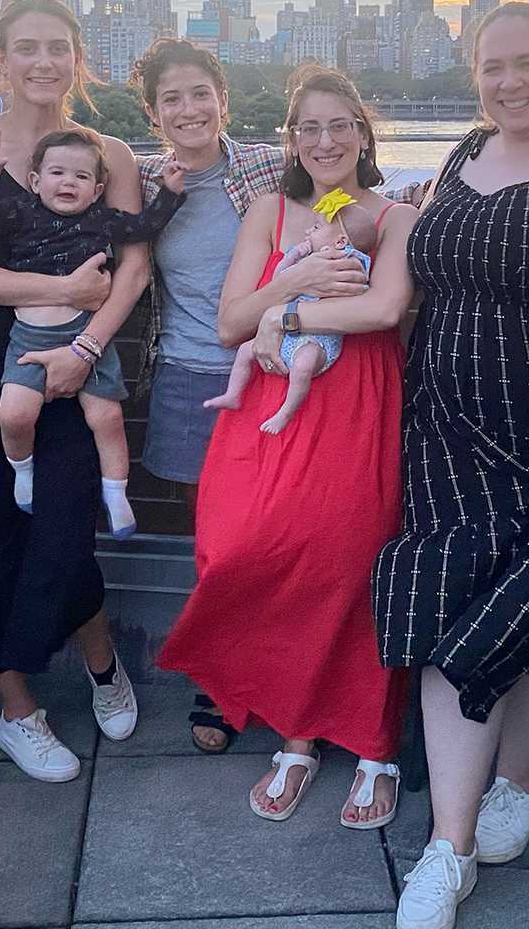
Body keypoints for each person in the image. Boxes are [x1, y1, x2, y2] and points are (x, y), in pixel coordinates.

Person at [279, 3, 529, 929]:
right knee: (444, 609)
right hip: (442, 433)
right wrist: (308, 226)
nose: (508, 83)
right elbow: (386, 237)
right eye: (491, 67)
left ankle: (518, 780)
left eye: (526, 64)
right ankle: (451, 844)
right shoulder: (466, 153)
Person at [157, 66, 411, 830]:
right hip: (266, 408)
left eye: (340, 125)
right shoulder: (269, 210)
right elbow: (230, 321)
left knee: (351, 563)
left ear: (363, 133)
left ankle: (372, 744)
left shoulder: (394, 217)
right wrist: (281, 295)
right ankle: (296, 730)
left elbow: (385, 307)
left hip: (356, 402)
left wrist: (290, 320)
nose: (325, 141)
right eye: (309, 128)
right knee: (240, 551)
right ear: (291, 139)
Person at [127, 40, 370, 754]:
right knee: (220, 548)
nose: (188, 110)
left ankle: (283, 675)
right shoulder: (144, 186)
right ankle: (223, 683)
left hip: (275, 369)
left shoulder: (267, 167)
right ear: (153, 113)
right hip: (189, 373)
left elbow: (347, 200)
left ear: (223, 100)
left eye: (200, 93)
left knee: (279, 540)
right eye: (171, 99)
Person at [0, 0, 142, 783]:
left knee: (66, 524)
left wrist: (86, 345)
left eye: (58, 46)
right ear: (2, 60)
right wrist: (61, 288)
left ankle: (103, 665)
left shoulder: (108, 153)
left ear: (78, 58)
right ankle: (19, 711)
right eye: (26, 47)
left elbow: (133, 268)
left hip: (74, 358)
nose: (43, 61)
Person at [0, 127, 185, 525]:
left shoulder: (102, 221)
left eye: (81, 176)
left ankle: (116, 493)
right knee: (14, 415)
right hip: (29, 336)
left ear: (98, 189)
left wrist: (170, 192)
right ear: (35, 181)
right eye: (57, 173)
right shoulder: (21, 213)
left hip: (83, 330)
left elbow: (144, 227)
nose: (68, 182)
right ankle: (23, 471)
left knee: (107, 419)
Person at [203, 189, 378, 435]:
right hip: (286, 337)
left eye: (316, 227)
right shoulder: (309, 258)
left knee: (303, 365)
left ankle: (286, 411)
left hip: (317, 339)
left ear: (340, 242)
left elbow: (357, 301)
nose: (308, 232)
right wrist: (294, 257)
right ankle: (233, 394)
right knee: (244, 351)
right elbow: (280, 278)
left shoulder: (350, 263)